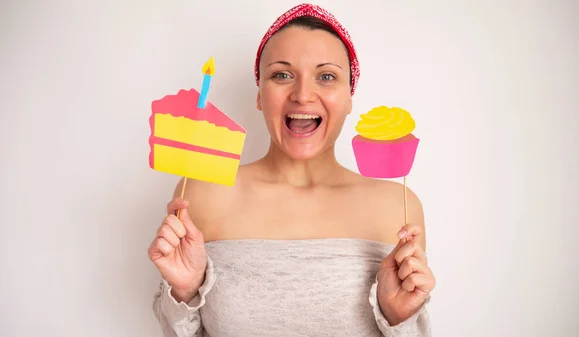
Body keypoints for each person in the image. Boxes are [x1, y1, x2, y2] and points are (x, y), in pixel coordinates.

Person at [148, 3, 435, 336]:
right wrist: (184, 291)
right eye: (282, 75)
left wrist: (399, 317)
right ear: (259, 94)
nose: (302, 95)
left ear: (349, 97)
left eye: (326, 76)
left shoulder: (397, 207)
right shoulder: (202, 193)